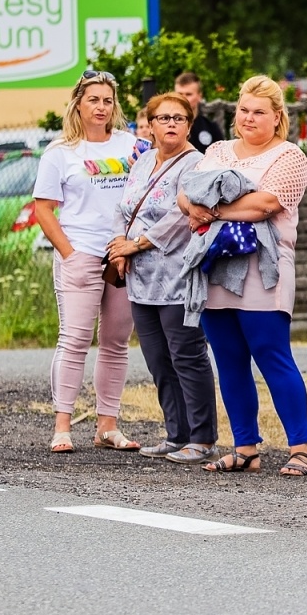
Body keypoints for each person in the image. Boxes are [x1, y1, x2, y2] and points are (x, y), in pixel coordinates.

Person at [181, 75, 307, 477]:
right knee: (228, 359)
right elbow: (186, 193)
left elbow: (266, 204)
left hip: (263, 264)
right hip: (214, 264)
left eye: (259, 112)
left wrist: (214, 209)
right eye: (243, 110)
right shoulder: (219, 149)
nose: (248, 118)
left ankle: (300, 447)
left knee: (272, 355)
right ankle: (245, 448)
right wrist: (198, 204)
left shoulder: (290, 156)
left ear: (277, 117)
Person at [31, 71, 144, 454]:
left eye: (107, 101)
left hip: (121, 255)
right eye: (93, 99)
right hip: (79, 251)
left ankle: (107, 426)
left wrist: (131, 245)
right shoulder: (61, 151)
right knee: (75, 338)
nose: (101, 107)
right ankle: (63, 425)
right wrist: (69, 254)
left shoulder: (133, 146)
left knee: (115, 342)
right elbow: (43, 209)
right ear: (78, 103)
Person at [104, 94, 210, 463]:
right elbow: (123, 207)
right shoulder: (143, 161)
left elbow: (184, 217)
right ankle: (175, 433)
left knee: (187, 356)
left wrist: (137, 244)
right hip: (138, 276)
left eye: (178, 118)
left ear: (189, 124)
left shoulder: (197, 163)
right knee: (157, 359)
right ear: (149, 124)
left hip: (176, 273)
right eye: (162, 118)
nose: (170, 124)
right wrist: (120, 245)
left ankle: (202, 437)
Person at [175, 71, 225, 150]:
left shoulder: (211, 128)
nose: (183, 99)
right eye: (179, 94)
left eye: (188, 94)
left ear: (199, 96)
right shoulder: (165, 126)